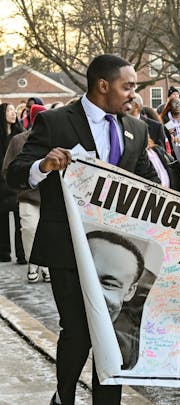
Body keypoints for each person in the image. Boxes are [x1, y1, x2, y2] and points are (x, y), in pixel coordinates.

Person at [7, 54, 158, 405]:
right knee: (77, 332)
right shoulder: (54, 122)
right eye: (128, 86)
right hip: (68, 247)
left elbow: (148, 181)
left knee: (113, 334)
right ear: (103, 86)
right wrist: (44, 165)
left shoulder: (136, 129)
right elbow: (16, 173)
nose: (133, 95)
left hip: (118, 252)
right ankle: (64, 397)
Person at [85, 230, 147, 370]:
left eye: (109, 284)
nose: (94, 293)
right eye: (85, 276)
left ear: (130, 291)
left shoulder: (129, 348)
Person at [2, 103, 49, 282]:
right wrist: (20, 187)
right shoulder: (18, 140)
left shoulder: (54, 139)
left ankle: (43, 266)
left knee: (47, 232)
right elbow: (7, 169)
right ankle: (35, 262)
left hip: (50, 198)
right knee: (29, 229)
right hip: (27, 197)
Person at [0, 102, 24, 263]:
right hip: (0, 184)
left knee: (20, 220)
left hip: (15, 181)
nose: (13, 113)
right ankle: (3, 253)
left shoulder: (19, 135)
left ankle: (22, 255)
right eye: (9, 110)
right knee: (1, 220)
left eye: (15, 111)